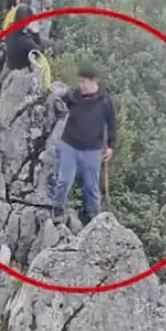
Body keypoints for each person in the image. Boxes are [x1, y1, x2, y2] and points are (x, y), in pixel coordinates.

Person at [50, 63, 117, 226]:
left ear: (94, 81)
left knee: (91, 187)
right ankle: (57, 210)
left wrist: (110, 147)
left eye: (84, 82)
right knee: (64, 181)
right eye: (80, 81)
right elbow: (56, 104)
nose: (81, 85)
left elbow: (112, 125)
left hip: (93, 150)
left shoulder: (106, 102)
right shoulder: (72, 97)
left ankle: (94, 219)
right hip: (69, 145)